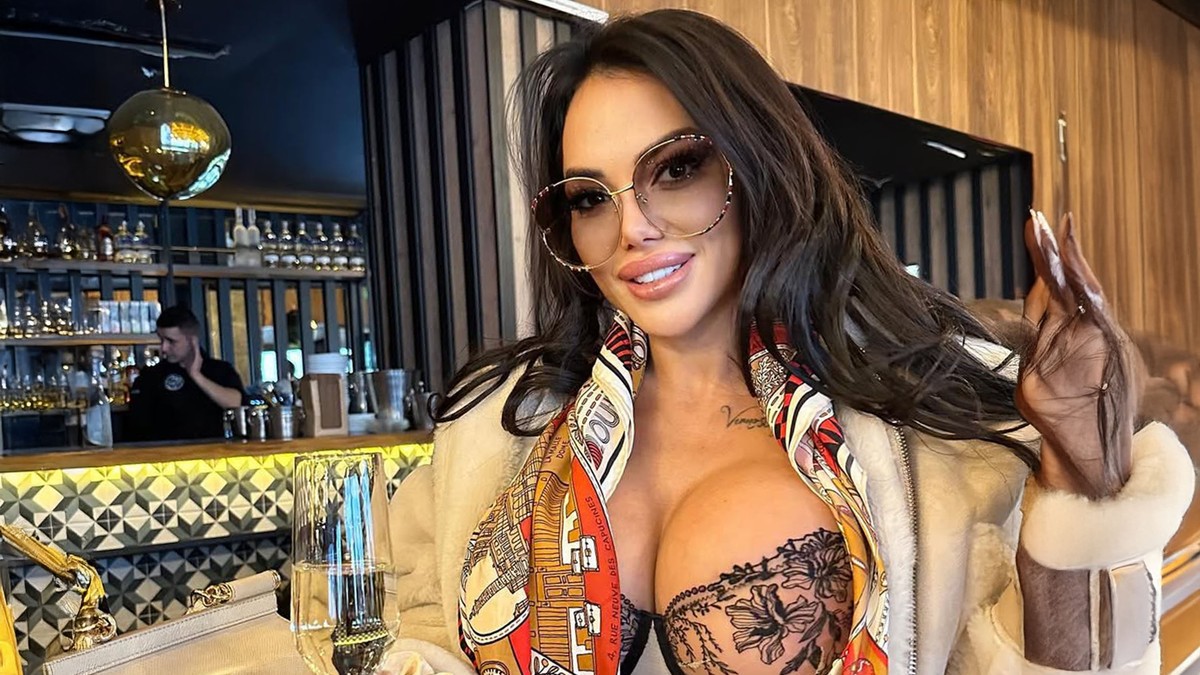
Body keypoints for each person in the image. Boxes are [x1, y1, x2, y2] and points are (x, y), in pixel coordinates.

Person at [384, 10, 1193, 675]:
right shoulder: (504, 425)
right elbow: (418, 632)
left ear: (757, 162)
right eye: (590, 197)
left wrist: (1083, 470)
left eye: (676, 168)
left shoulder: (940, 427)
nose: (632, 227)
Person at [127, 305, 245, 441]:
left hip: (213, 451)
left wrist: (196, 376)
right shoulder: (151, 375)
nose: (164, 348)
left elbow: (235, 403)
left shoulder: (219, 370)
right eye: (161, 340)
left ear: (192, 341)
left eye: (171, 341)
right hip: (163, 452)